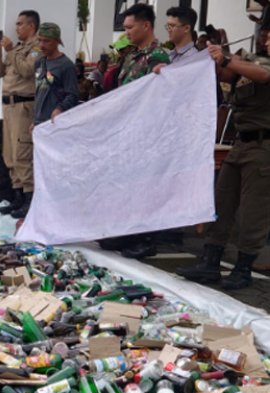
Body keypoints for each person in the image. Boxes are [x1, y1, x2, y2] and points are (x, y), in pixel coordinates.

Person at [177, 27, 270, 290]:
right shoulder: (250, 60)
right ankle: (210, 261)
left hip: (264, 148)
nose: (268, 40)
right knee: (221, 202)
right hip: (241, 144)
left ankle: (243, 268)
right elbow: (228, 75)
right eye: (268, 35)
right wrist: (214, 56)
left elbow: (262, 76)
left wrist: (227, 57)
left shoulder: (257, 65)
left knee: (254, 211)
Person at [100, 3, 170, 259]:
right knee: (125, 182)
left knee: (143, 184)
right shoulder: (131, 56)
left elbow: (161, 94)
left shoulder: (158, 57)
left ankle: (146, 237)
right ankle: (127, 231)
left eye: (130, 27)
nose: (126, 32)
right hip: (126, 130)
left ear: (146, 25)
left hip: (147, 131)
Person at [0, 10, 40, 219]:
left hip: (23, 106)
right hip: (8, 106)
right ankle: (17, 196)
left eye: (20, 24)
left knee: (22, 153)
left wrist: (11, 50)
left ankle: (29, 200)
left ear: (31, 26)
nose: (17, 27)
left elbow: (27, 71)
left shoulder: (36, 47)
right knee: (10, 154)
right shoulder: (18, 48)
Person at [154, 6, 198, 74]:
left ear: (186, 28)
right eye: (168, 26)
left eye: (172, 26)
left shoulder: (194, 58)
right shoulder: (171, 55)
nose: (168, 30)